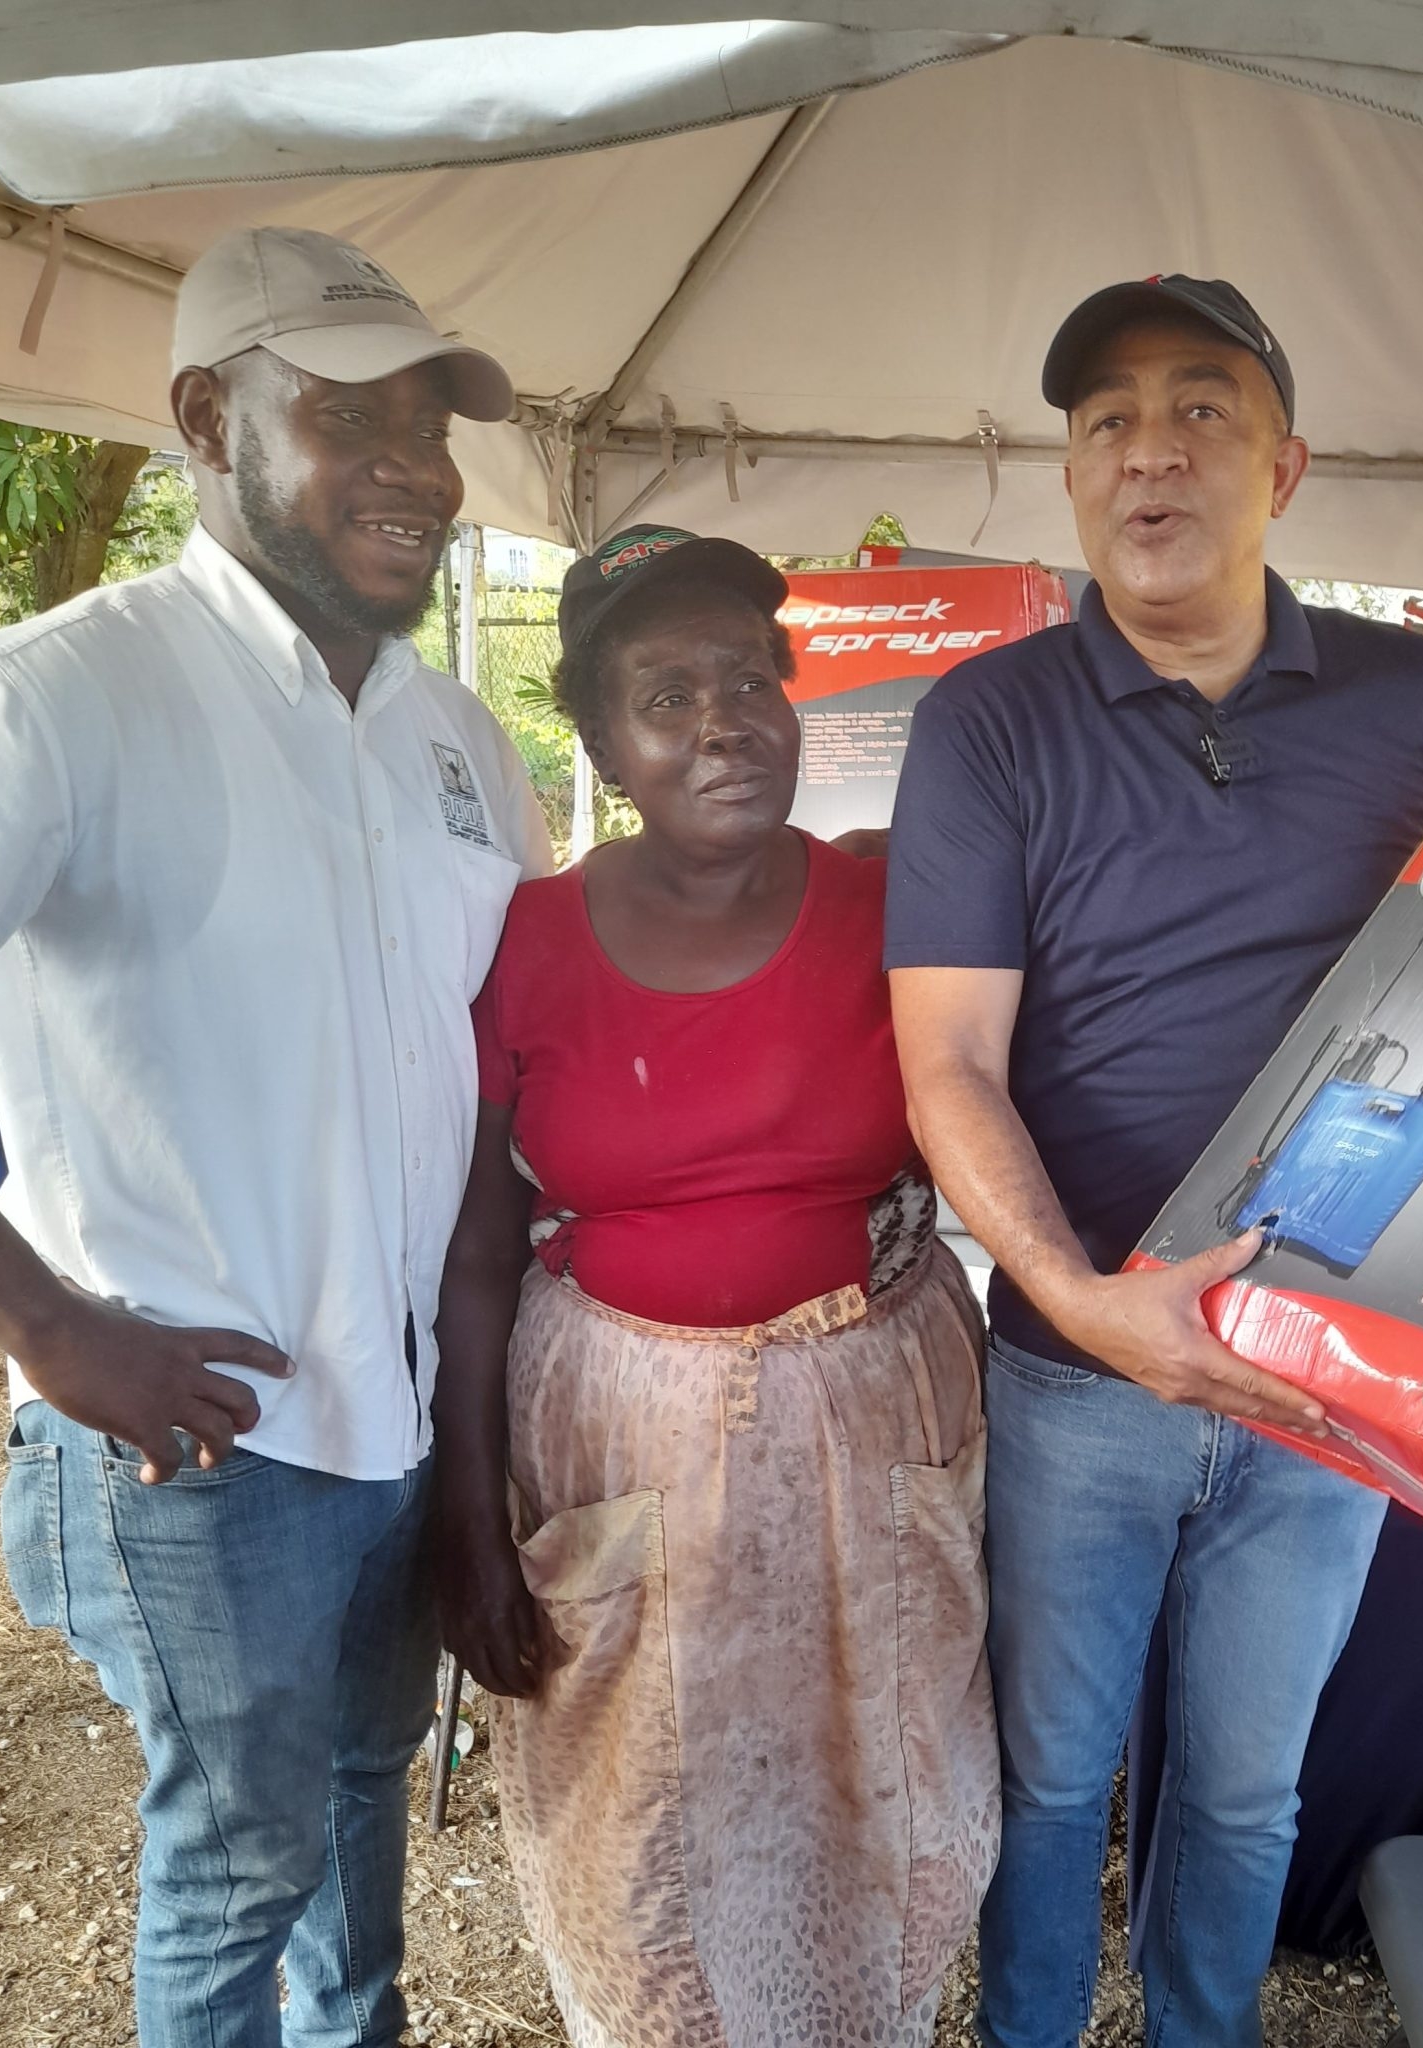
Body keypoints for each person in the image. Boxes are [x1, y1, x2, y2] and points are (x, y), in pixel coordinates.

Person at [886, 275, 1423, 2048]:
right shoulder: (986, 721)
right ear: (1072, 477)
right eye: (1108, 422)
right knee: (1051, 1780)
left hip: (1324, 1381)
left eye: (1201, 410)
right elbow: (948, 1062)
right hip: (1075, 1380)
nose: (1151, 452)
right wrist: (1082, 1299)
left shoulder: (1416, 699)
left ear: (1283, 468)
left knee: (1242, 1794)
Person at [0, 226, 551, 2048]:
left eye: (430, 426)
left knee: (358, 1802)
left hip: (408, 1421)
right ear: (203, 419)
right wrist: (50, 1328)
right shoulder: (62, 696)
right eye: (349, 417)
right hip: (208, 1444)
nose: (416, 468)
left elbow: (495, 1064)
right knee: (239, 1869)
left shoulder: (461, 738)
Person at [433, 524, 998, 2048]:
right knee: (643, 1821)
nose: (722, 722)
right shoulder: (531, 942)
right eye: (666, 696)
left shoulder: (899, 914)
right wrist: (466, 1520)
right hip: (619, 1449)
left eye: (750, 680)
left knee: (881, 1787)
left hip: (870, 1441)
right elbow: (479, 1249)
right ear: (602, 745)